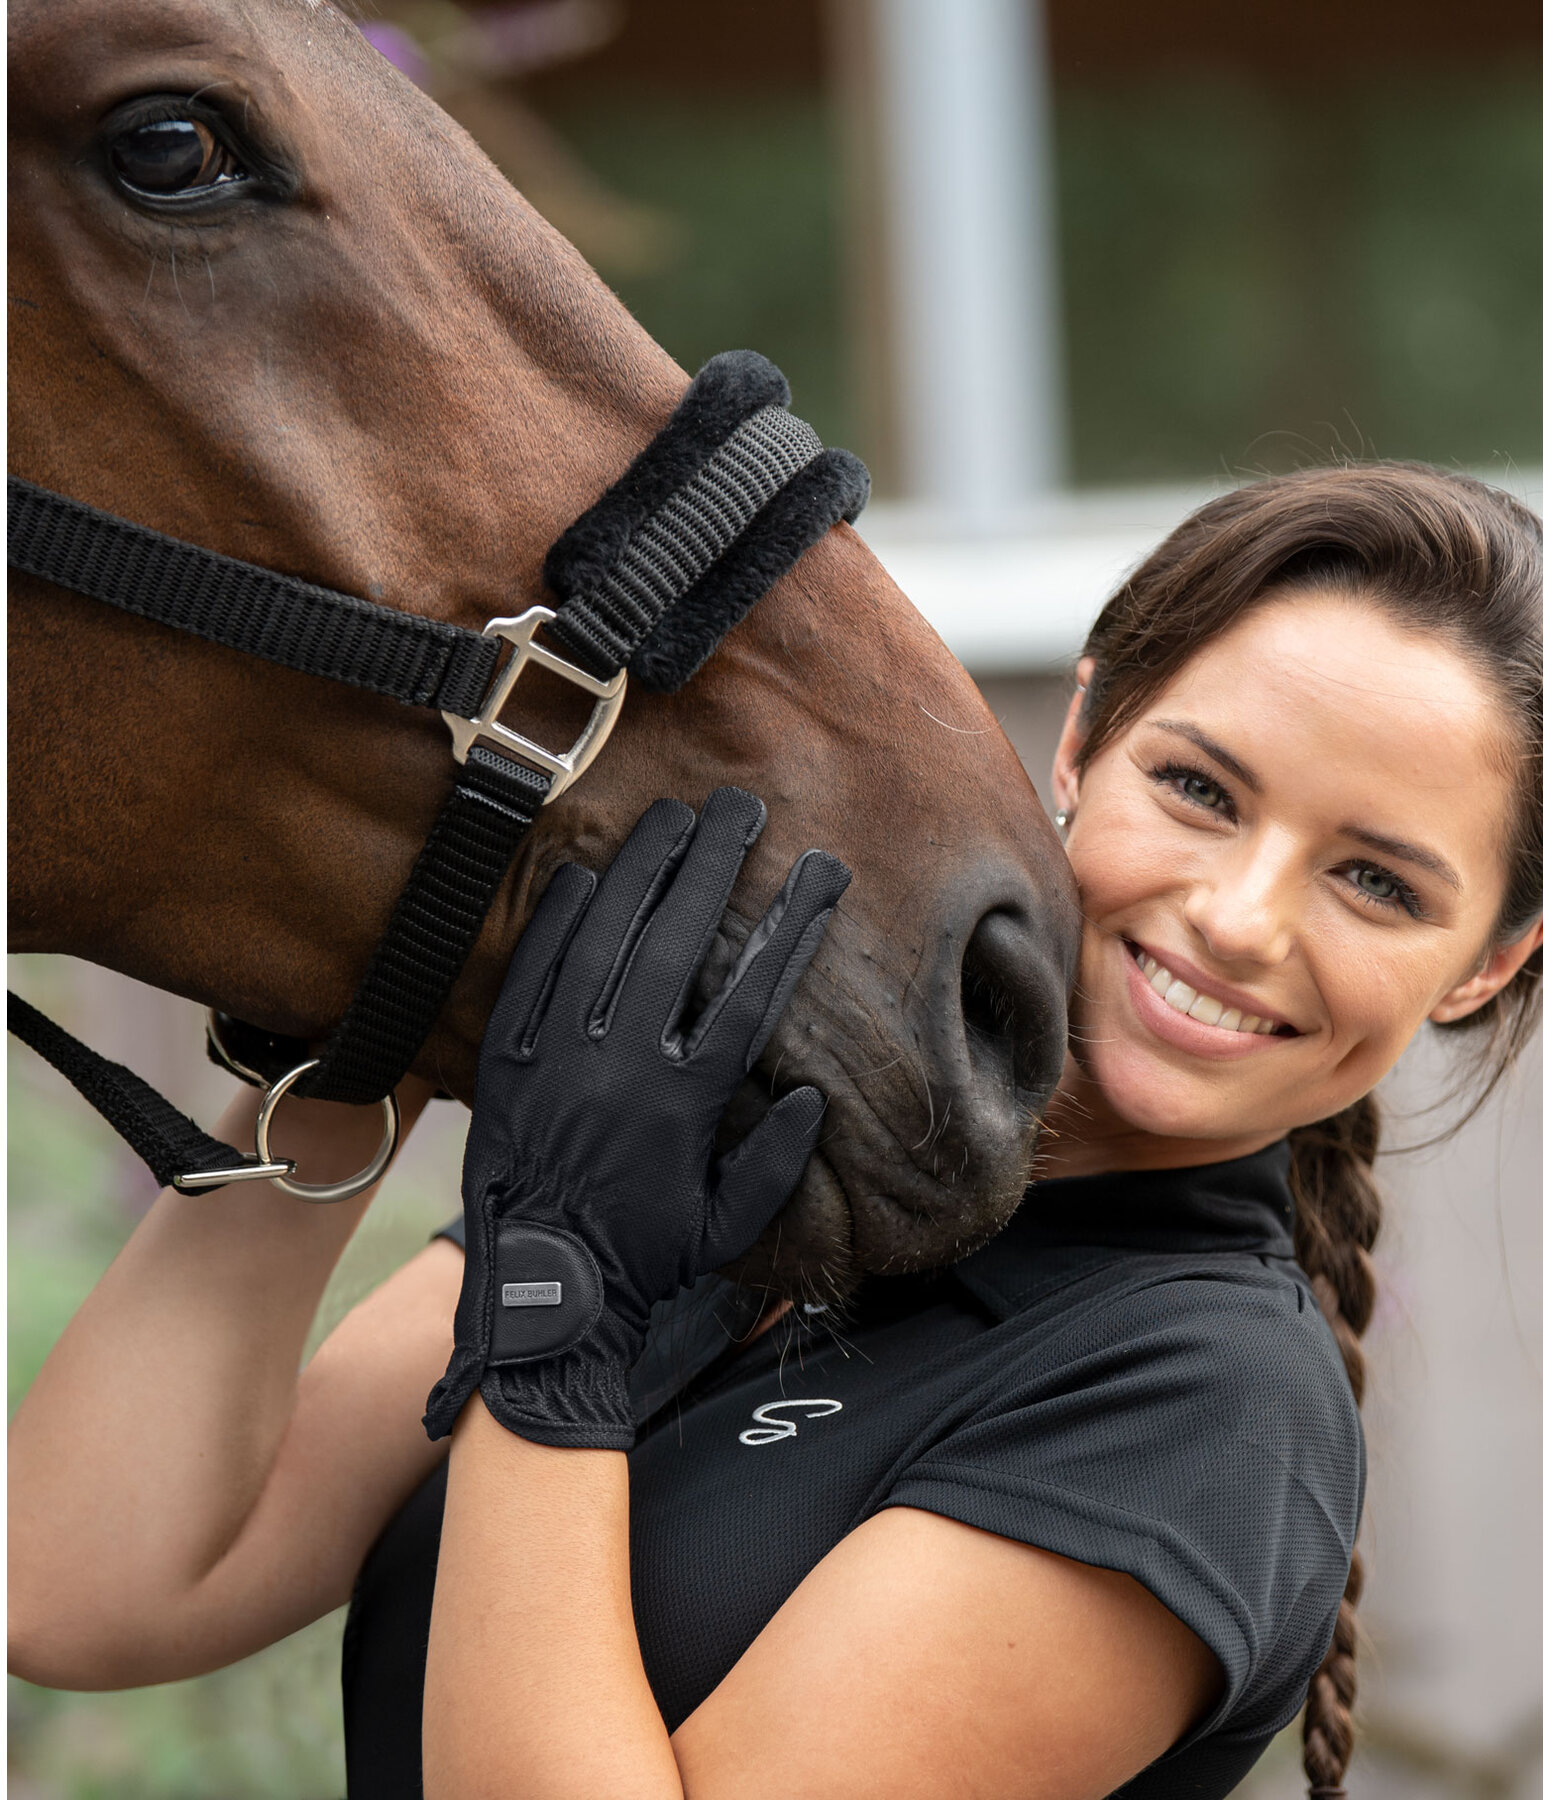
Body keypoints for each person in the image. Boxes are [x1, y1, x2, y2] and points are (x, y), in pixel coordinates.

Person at [9, 463, 1540, 1800]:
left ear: (1486, 965)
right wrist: (375, 1021)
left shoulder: (1204, 1403)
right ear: (1082, 740)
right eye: (1200, 788)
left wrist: (557, 1316)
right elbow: (87, 1584)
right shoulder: (714, 1163)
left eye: (1376, 883)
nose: (1234, 915)